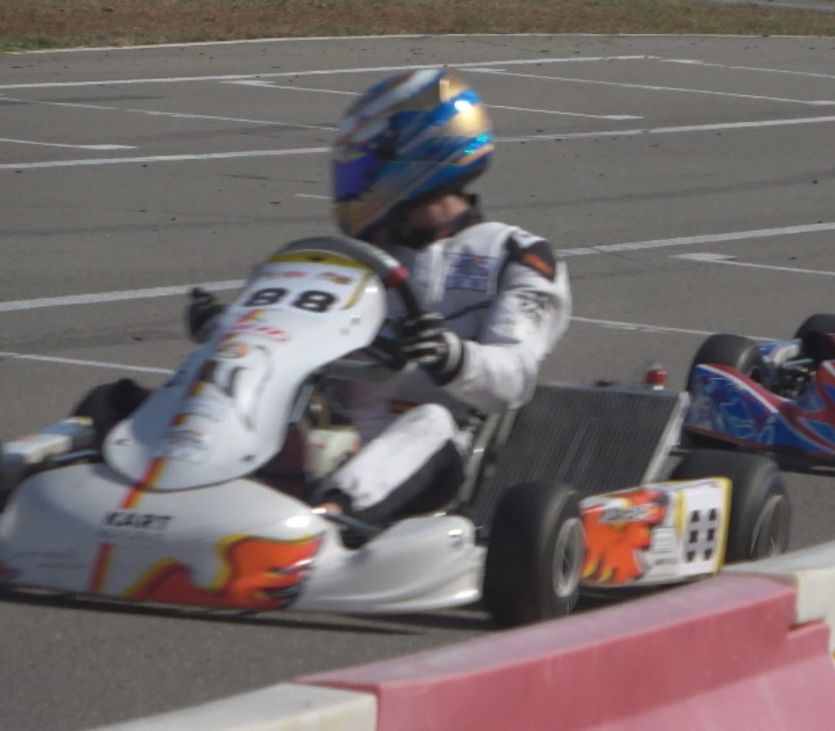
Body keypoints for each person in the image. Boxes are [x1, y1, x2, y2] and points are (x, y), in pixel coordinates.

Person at [193, 68, 572, 525]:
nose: (355, 182)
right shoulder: (352, 257)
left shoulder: (515, 255)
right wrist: (226, 329)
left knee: (429, 421)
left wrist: (450, 357)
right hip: (325, 426)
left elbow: (513, 378)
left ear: (419, 159)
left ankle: (328, 519)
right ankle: (124, 471)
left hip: (430, 450)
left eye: (363, 167)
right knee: (180, 391)